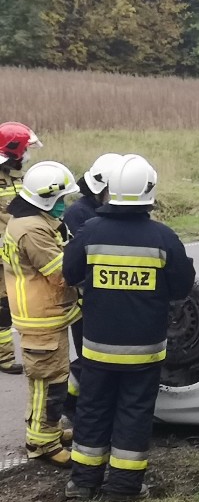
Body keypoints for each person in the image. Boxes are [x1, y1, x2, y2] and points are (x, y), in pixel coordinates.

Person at [63, 154, 195, 502]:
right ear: (149, 191)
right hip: (144, 349)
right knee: (134, 412)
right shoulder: (164, 238)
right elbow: (183, 288)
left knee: (92, 408)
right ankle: (122, 487)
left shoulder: (89, 231)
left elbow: (70, 274)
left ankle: (82, 482)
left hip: (97, 347)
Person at [3, 161, 81, 466]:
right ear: (47, 198)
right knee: (49, 384)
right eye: (61, 199)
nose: (64, 205)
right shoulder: (33, 230)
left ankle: (46, 431)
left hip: (43, 316)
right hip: (40, 319)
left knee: (48, 380)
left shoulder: (29, 221)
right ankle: (42, 444)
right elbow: (60, 273)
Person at [62, 153, 123, 420]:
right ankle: (72, 408)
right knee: (91, 361)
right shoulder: (78, 213)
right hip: (87, 301)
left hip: (110, 300)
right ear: (103, 187)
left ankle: (93, 408)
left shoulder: (113, 208)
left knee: (105, 361)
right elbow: (77, 264)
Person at [0, 122, 42, 375]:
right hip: (5, 255)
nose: (28, 154)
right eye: (26, 148)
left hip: (17, 254)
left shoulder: (23, 177)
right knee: (4, 306)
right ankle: (4, 358)